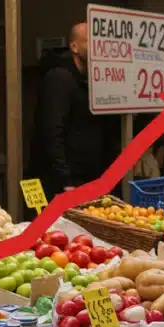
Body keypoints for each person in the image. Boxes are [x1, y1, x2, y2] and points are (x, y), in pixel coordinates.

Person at [29, 22, 120, 197]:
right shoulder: (59, 78)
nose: (97, 48)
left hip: (88, 179)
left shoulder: (89, 81)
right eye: (90, 42)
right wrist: (65, 180)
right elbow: (52, 132)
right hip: (65, 183)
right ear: (74, 47)